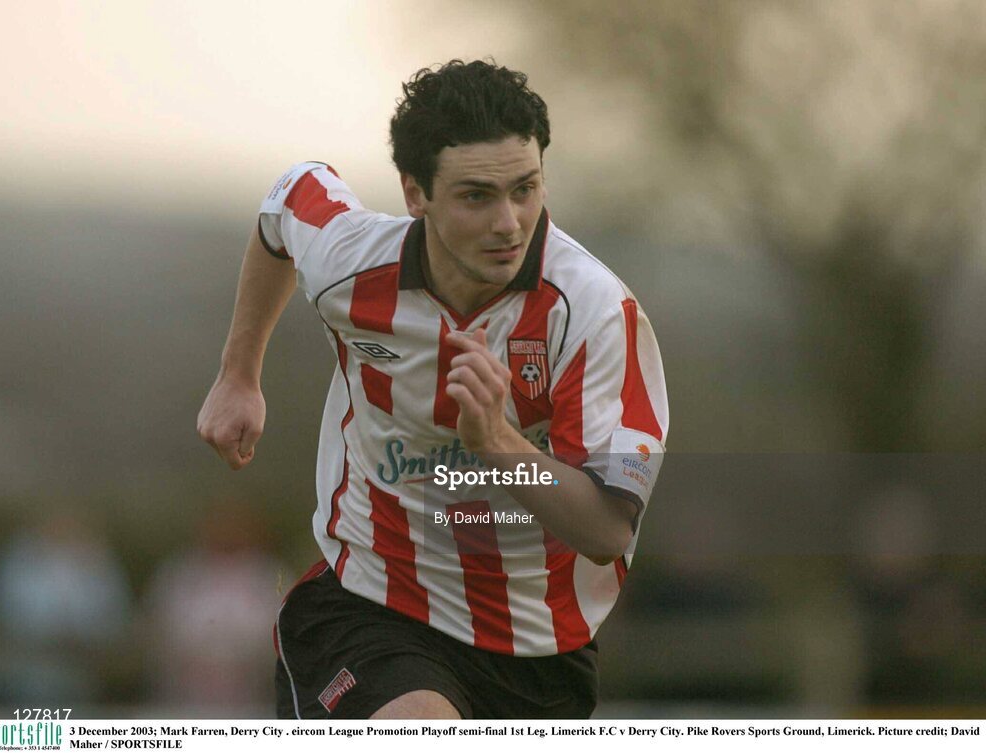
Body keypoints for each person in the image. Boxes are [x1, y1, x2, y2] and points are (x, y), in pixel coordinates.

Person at [198, 59, 669, 719]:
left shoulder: (593, 312)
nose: (509, 222)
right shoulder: (353, 263)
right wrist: (238, 375)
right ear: (415, 192)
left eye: (525, 189)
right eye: (477, 196)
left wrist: (497, 441)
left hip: (538, 643)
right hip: (370, 599)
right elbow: (287, 200)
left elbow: (606, 529)